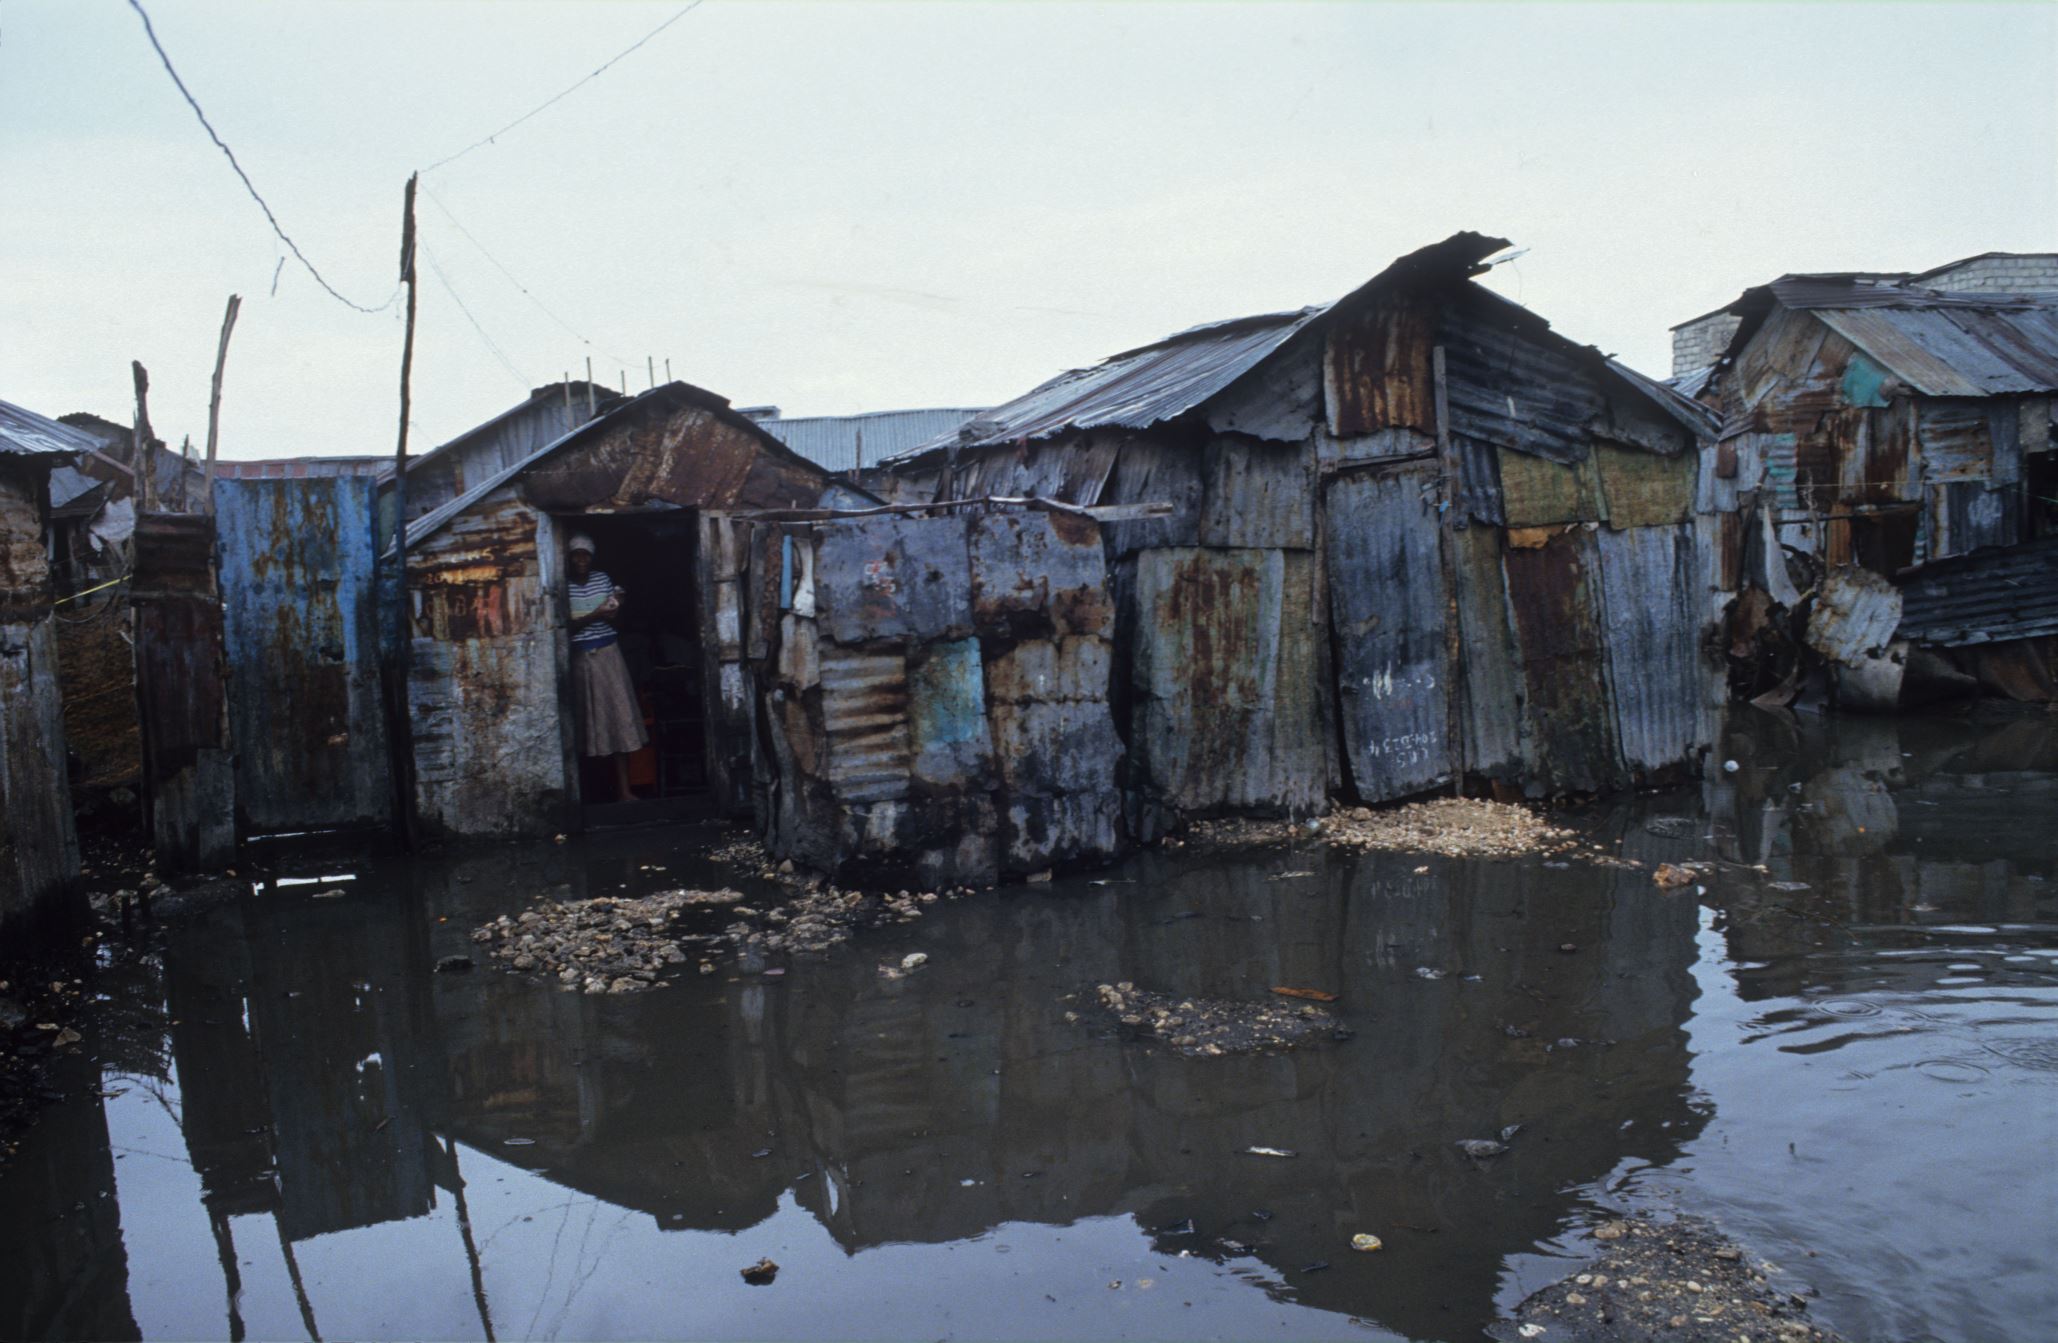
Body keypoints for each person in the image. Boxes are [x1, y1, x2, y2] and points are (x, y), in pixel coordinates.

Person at [565, 532, 646, 803]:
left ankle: (624, 791)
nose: (581, 560)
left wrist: (615, 606)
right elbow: (568, 626)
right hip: (579, 658)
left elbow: (614, 622)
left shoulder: (602, 579)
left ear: (592, 557)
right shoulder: (563, 585)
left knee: (617, 720)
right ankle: (587, 795)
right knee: (584, 726)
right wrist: (597, 614)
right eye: (576, 554)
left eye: (585, 554)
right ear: (568, 557)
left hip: (609, 654)